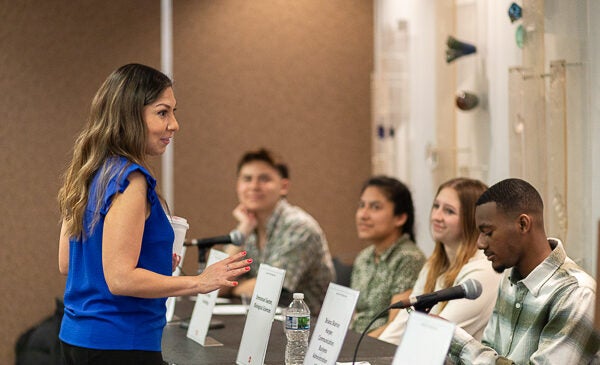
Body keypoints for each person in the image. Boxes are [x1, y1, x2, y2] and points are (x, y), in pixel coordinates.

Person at [57, 63, 252, 365]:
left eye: (174, 112)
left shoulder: (88, 172)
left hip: (75, 340)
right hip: (121, 345)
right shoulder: (130, 180)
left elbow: (68, 261)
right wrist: (200, 281)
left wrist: (152, 259)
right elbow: (120, 279)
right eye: (162, 113)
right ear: (130, 117)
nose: (174, 124)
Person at [447, 178, 600, 364]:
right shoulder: (508, 278)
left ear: (523, 224)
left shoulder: (576, 294)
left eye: (488, 232)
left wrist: (459, 344)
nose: (480, 243)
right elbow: (492, 352)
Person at [377, 177, 502, 343]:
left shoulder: (483, 272)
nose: (437, 216)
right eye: (436, 206)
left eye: (449, 211)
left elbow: (432, 338)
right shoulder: (433, 265)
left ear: (473, 220)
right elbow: (401, 325)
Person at [223, 148, 335, 314]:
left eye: (264, 179)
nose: (254, 186)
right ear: (238, 185)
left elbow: (269, 291)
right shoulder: (250, 226)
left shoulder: (298, 226)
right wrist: (243, 229)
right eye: (247, 179)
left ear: (283, 186)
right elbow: (216, 285)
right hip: (269, 320)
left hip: (307, 328)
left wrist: (233, 288)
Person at [349, 176, 427, 334]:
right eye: (361, 205)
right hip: (354, 345)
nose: (363, 215)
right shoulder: (364, 257)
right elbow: (355, 316)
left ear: (400, 218)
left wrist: (351, 348)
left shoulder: (409, 258)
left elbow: (395, 326)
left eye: (375, 207)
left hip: (379, 350)